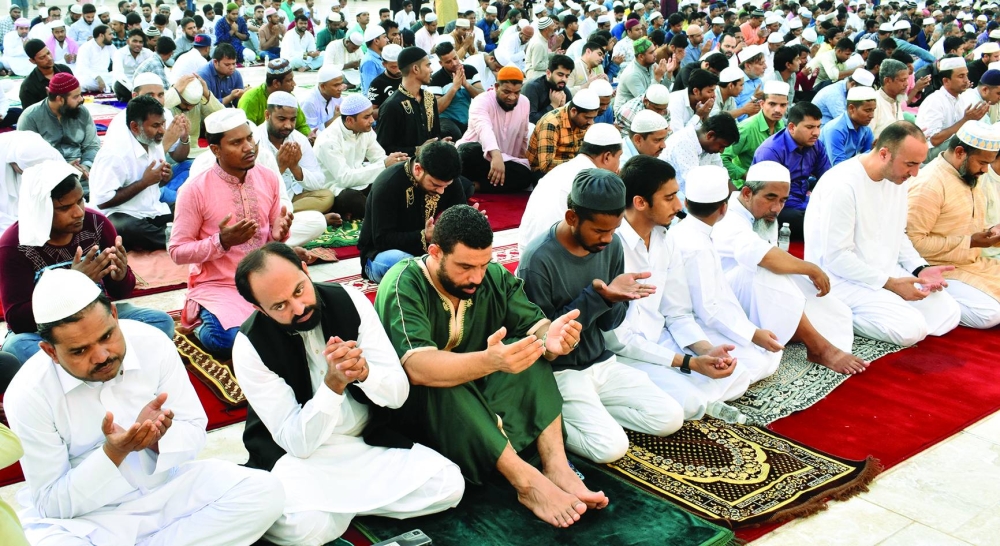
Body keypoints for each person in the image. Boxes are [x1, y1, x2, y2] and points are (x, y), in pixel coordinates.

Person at [4, 267, 284, 545]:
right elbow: (51, 504)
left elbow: (195, 432)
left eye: (106, 337)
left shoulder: (152, 343)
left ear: (114, 315)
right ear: (50, 351)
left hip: (168, 490)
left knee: (264, 491)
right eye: (80, 351)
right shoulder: (29, 394)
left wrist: (157, 440)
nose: (102, 356)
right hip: (87, 520)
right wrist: (114, 453)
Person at [374, 204, 607, 527]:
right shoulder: (403, 282)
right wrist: (488, 361)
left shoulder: (491, 276)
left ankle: (557, 466)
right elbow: (417, 367)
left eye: (484, 265)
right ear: (435, 252)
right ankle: (526, 481)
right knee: (444, 382)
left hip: (480, 394)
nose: (476, 278)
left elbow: (534, 324)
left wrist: (551, 338)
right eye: (465, 267)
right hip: (423, 409)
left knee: (527, 350)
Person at [231, 243, 464, 545]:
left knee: (448, 484)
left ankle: (340, 511)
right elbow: (297, 443)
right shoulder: (249, 346)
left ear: (305, 270)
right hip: (304, 460)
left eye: (299, 291)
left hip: (367, 442)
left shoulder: (349, 301)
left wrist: (364, 373)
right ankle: (352, 506)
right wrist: (333, 386)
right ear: (259, 309)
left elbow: (398, 394)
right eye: (279, 306)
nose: (298, 309)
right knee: (302, 529)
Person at [518, 168, 682, 462]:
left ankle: (590, 413)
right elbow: (544, 343)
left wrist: (618, 300)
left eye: (613, 229)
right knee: (610, 449)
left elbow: (611, 324)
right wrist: (599, 298)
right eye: (599, 231)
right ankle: (546, 421)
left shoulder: (612, 246)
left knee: (670, 418)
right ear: (572, 218)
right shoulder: (538, 260)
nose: (607, 239)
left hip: (601, 362)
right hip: (560, 373)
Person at [605, 156, 779, 422]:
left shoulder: (666, 239)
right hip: (621, 353)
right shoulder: (610, 246)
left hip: (658, 339)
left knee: (735, 373)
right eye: (669, 197)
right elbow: (619, 339)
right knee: (687, 404)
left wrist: (705, 350)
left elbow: (677, 313)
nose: (678, 206)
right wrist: (685, 362)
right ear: (640, 202)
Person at [803, 121, 962, 347]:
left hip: (885, 271)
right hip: (841, 279)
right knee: (911, 330)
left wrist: (921, 268)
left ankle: (891, 309)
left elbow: (898, 234)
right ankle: (831, 315)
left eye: (919, 165)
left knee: (948, 312)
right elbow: (837, 258)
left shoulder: (897, 178)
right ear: (885, 154)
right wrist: (890, 284)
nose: (915, 173)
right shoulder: (842, 185)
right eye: (910, 164)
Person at [0, 162, 175, 364]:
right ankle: (105, 361)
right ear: (41, 210)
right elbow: (18, 320)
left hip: (97, 322)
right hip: (50, 332)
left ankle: (78, 365)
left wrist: (121, 276)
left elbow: (120, 293)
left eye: (80, 201)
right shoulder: (14, 246)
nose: (78, 212)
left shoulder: (97, 225)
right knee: (17, 348)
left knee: (161, 323)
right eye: (65, 207)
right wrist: (74, 283)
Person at [712, 161, 865, 374]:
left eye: (783, 200)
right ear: (747, 193)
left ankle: (795, 330)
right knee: (765, 268)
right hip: (721, 299)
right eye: (770, 198)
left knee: (835, 313)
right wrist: (811, 268)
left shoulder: (763, 214)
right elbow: (764, 257)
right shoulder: (728, 217)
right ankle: (818, 348)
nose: (777, 208)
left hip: (752, 291)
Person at [169, 109, 294, 354]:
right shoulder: (194, 190)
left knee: (308, 317)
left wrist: (279, 235)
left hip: (262, 277)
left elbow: (271, 234)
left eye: (249, 138)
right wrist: (221, 242)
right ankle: (198, 320)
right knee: (229, 340)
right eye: (237, 142)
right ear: (216, 150)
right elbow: (176, 252)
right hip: (218, 284)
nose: (248, 147)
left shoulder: (267, 178)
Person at [906, 122, 1000, 329]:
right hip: (937, 267)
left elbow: (964, 225)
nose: (985, 170)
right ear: (960, 152)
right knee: (989, 314)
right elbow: (912, 243)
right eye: (982, 163)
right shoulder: (930, 184)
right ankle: (922, 302)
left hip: (970, 262)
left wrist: (991, 232)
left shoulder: (967, 176)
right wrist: (969, 242)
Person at [357, 141, 468, 281]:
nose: (441, 191)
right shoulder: (388, 185)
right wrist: (423, 236)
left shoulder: (446, 180)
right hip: (381, 255)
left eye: (446, 186)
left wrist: (469, 222)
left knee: (471, 259)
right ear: (418, 169)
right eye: (435, 185)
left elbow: (458, 214)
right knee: (415, 268)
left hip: (428, 253)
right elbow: (382, 239)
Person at [87, 96, 175, 251]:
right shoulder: (115, 154)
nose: (162, 130)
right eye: (155, 125)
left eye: (162, 124)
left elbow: (154, 184)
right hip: (119, 215)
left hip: (151, 210)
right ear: (135, 127)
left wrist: (164, 178)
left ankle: (171, 236)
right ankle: (174, 240)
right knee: (127, 228)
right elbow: (103, 201)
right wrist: (144, 182)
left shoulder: (154, 142)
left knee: (185, 206)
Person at [519, 124, 624, 253]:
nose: (619, 165)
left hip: (529, 249)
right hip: (552, 257)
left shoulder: (565, 169)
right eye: (619, 157)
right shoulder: (592, 183)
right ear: (607, 157)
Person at [752, 102, 832, 242]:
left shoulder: (815, 145)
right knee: (809, 223)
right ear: (791, 127)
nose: (816, 133)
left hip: (804, 201)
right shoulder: (771, 151)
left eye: (818, 127)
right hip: (780, 207)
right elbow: (769, 196)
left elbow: (828, 178)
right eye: (810, 127)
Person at [457, 66, 536, 194]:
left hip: (505, 160)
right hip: (479, 156)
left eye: (516, 93)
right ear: (496, 86)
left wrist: (517, 162)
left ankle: (473, 185)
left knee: (525, 176)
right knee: (467, 151)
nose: (512, 97)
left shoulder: (524, 102)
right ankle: (480, 183)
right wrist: (495, 155)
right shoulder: (481, 101)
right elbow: (484, 128)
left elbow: (522, 135)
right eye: (507, 92)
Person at [16, 73, 100, 189]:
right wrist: (62, 170)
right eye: (76, 97)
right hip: (48, 179)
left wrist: (86, 166)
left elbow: (92, 146)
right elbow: (24, 159)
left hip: (83, 173)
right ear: (60, 99)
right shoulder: (30, 117)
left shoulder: (81, 112)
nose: (81, 99)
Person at [255, 91, 331, 213]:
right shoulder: (255, 140)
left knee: (326, 196)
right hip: (267, 199)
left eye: (292, 120)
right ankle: (289, 217)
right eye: (282, 119)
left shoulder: (299, 139)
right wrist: (280, 167)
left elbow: (319, 182)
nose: (288, 126)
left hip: (295, 197)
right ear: (267, 115)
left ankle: (283, 216)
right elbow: (255, 188)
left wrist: (295, 167)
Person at [916, 57, 990, 161]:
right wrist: (966, 120)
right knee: (970, 146)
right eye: (961, 76)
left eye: (966, 75)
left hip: (948, 148)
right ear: (946, 81)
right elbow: (934, 140)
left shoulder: (960, 99)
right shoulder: (935, 101)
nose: (966, 80)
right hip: (927, 153)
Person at [375, 47, 444, 156]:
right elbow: (383, 147)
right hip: (404, 168)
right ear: (415, 69)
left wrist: (441, 144)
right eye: (428, 65)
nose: (431, 70)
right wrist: (417, 150)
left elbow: (436, 135)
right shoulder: (392, 105)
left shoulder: (429, 98)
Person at [722, 80, 789, 185]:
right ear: (762, 104)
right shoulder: (747, 127)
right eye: (772, 104)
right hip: (747, 187)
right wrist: (746, 175)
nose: (778, 110)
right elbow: (722, 158)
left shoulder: (780, 125)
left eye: (783, 105)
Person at [661, 113, 739, 200]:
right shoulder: (684, 142)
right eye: (721, 146)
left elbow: (722, 177)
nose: (721, 151)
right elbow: (694, 185)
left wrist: (738, 199)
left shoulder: (710, 147)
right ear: (710, 135)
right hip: (671, 197)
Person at [527, 89, 601, 173]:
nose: (591, 122)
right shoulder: (551, 123)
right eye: (587, 118)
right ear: (573, 111)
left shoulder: (584, 123)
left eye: (593, 118)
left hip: (573, 168)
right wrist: (580, 163)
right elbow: (546, 166)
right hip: (541, 172)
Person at [239, 58, 310, 136]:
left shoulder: (289, 98)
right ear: (276, 83)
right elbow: (247, 134)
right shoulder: (250, 100)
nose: (294, 84)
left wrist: (309, 136)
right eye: (289, 80)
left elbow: (301, 126)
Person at [819, 86, 877, 166]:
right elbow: (839, 166)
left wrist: (875, 150)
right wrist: (870, 153)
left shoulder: (866, 129)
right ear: (851, 109)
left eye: (873, 110)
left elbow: (870, 160)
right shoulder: (835, 130)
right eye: (867, 110)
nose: (872, 115)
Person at [614, 37, 668, 114]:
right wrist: (657, 78)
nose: (655, 54)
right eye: (651, 52)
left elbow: (663, 91)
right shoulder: (632, 74)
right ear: (641, 56)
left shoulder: (651, 65)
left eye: (654, 50)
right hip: (626, 113)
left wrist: (669, 73)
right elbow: (646, 102)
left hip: (644, 108)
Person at [17, 39, 74, 109]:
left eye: (48, 53)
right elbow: (30, 115)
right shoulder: (28, 86)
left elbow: (76, 95)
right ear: (32, 61)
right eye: (42, 57)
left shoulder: (65, 70)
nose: (49, 58)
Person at [523, 55, 575, 124]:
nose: (564, 79)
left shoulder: (565, 91)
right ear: (548, 73)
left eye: (567, 76)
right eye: (560, 75)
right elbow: (530, 121)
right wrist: (553, 106)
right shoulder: (533, 87)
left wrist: (563, 108)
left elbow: (570, 122)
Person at [667, 69, 719, 134]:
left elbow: (707, 133)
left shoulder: (703, 102)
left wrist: (706, 115)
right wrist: (698, 115)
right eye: (709, 91)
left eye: (714, 91)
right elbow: (678, 136)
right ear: (696, 91)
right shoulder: (675, 101)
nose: (713, 95)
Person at [111, 29, 155, 102]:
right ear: (128, 42)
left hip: (141, 84)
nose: (138, 44)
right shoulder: (119, 53)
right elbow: (119, 74)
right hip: (125, 85)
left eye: (140, 42)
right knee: (118, 84)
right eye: (135, 41)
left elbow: (156, 66)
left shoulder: (148, 53)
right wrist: (132, 89)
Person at [872, 58, 909, 139]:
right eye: (903, 80)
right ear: (887, 81)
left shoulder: (896, 99)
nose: (906, 84)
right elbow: (866, 140)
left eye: (907, 79)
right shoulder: (873, 104)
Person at [75, 25, 117, 93]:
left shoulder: (110, 46)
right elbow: (84, 68)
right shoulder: (85, 47)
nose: (112, 36)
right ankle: (107, 87)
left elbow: (118, 61)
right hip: (89, 77)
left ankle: (105, 87)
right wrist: (97, 77)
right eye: (110, 34)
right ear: (101, 35)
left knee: (119, 77)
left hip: (105, 76)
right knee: (82, 82)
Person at [359, 24, 388, 92]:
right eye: (384, 37)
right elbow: (371, 89)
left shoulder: (380, 56)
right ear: (376, 41)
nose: (387, 40)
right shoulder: (369, 62)